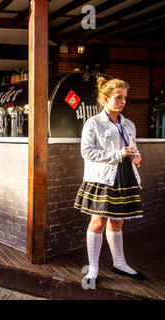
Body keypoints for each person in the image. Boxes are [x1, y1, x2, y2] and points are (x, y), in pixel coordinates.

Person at [74, 76, 145, 283]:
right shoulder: (93, 123)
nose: (123, 101)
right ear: (105, 99)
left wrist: (136, 156)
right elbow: (87, 152)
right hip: (103, 177)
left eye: (125, 97)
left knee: (118, 221)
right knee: (98, 222)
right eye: (118, 97)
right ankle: (93, 268)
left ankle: (119, 263)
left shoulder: (129, 124)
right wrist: (118, 155)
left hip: (126, 175)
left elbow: (131, 147)